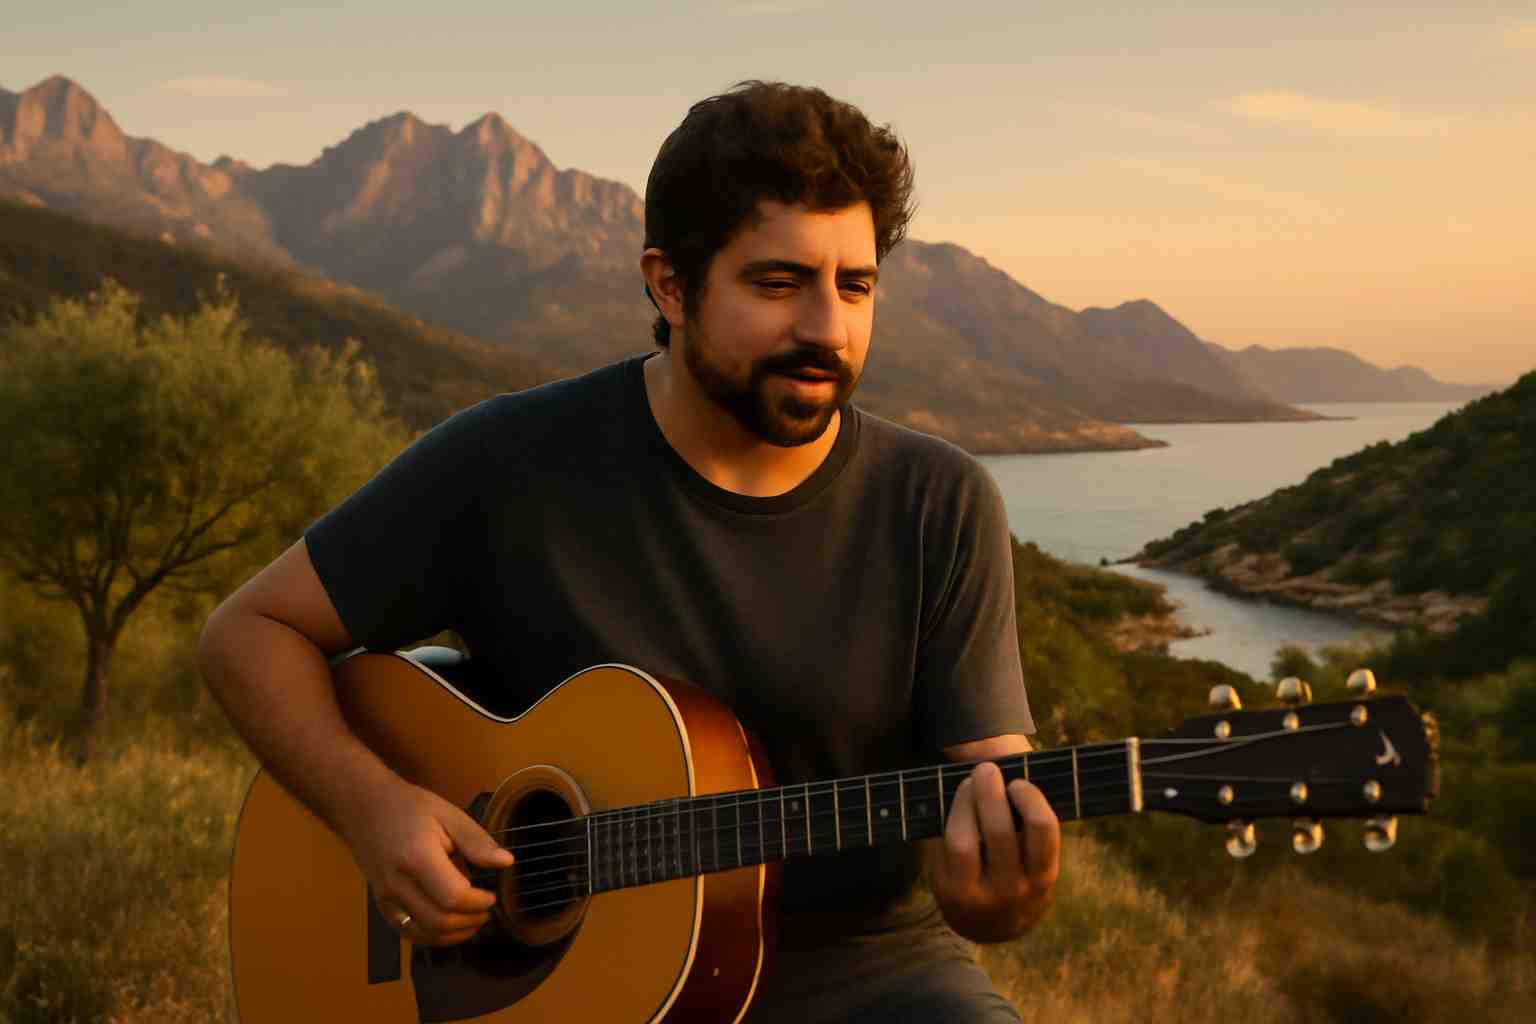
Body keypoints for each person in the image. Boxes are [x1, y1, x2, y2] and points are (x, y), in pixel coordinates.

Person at [199, 80, 1059, 1023]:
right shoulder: (510, 461)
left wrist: (1001, 900)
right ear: (670, 285)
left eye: (855, 286)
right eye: (778, 283)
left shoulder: (938, 501)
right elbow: (249, 632)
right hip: (575, 994)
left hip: (871, 979)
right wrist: (370, 810)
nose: (828, 329)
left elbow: (991, 804)